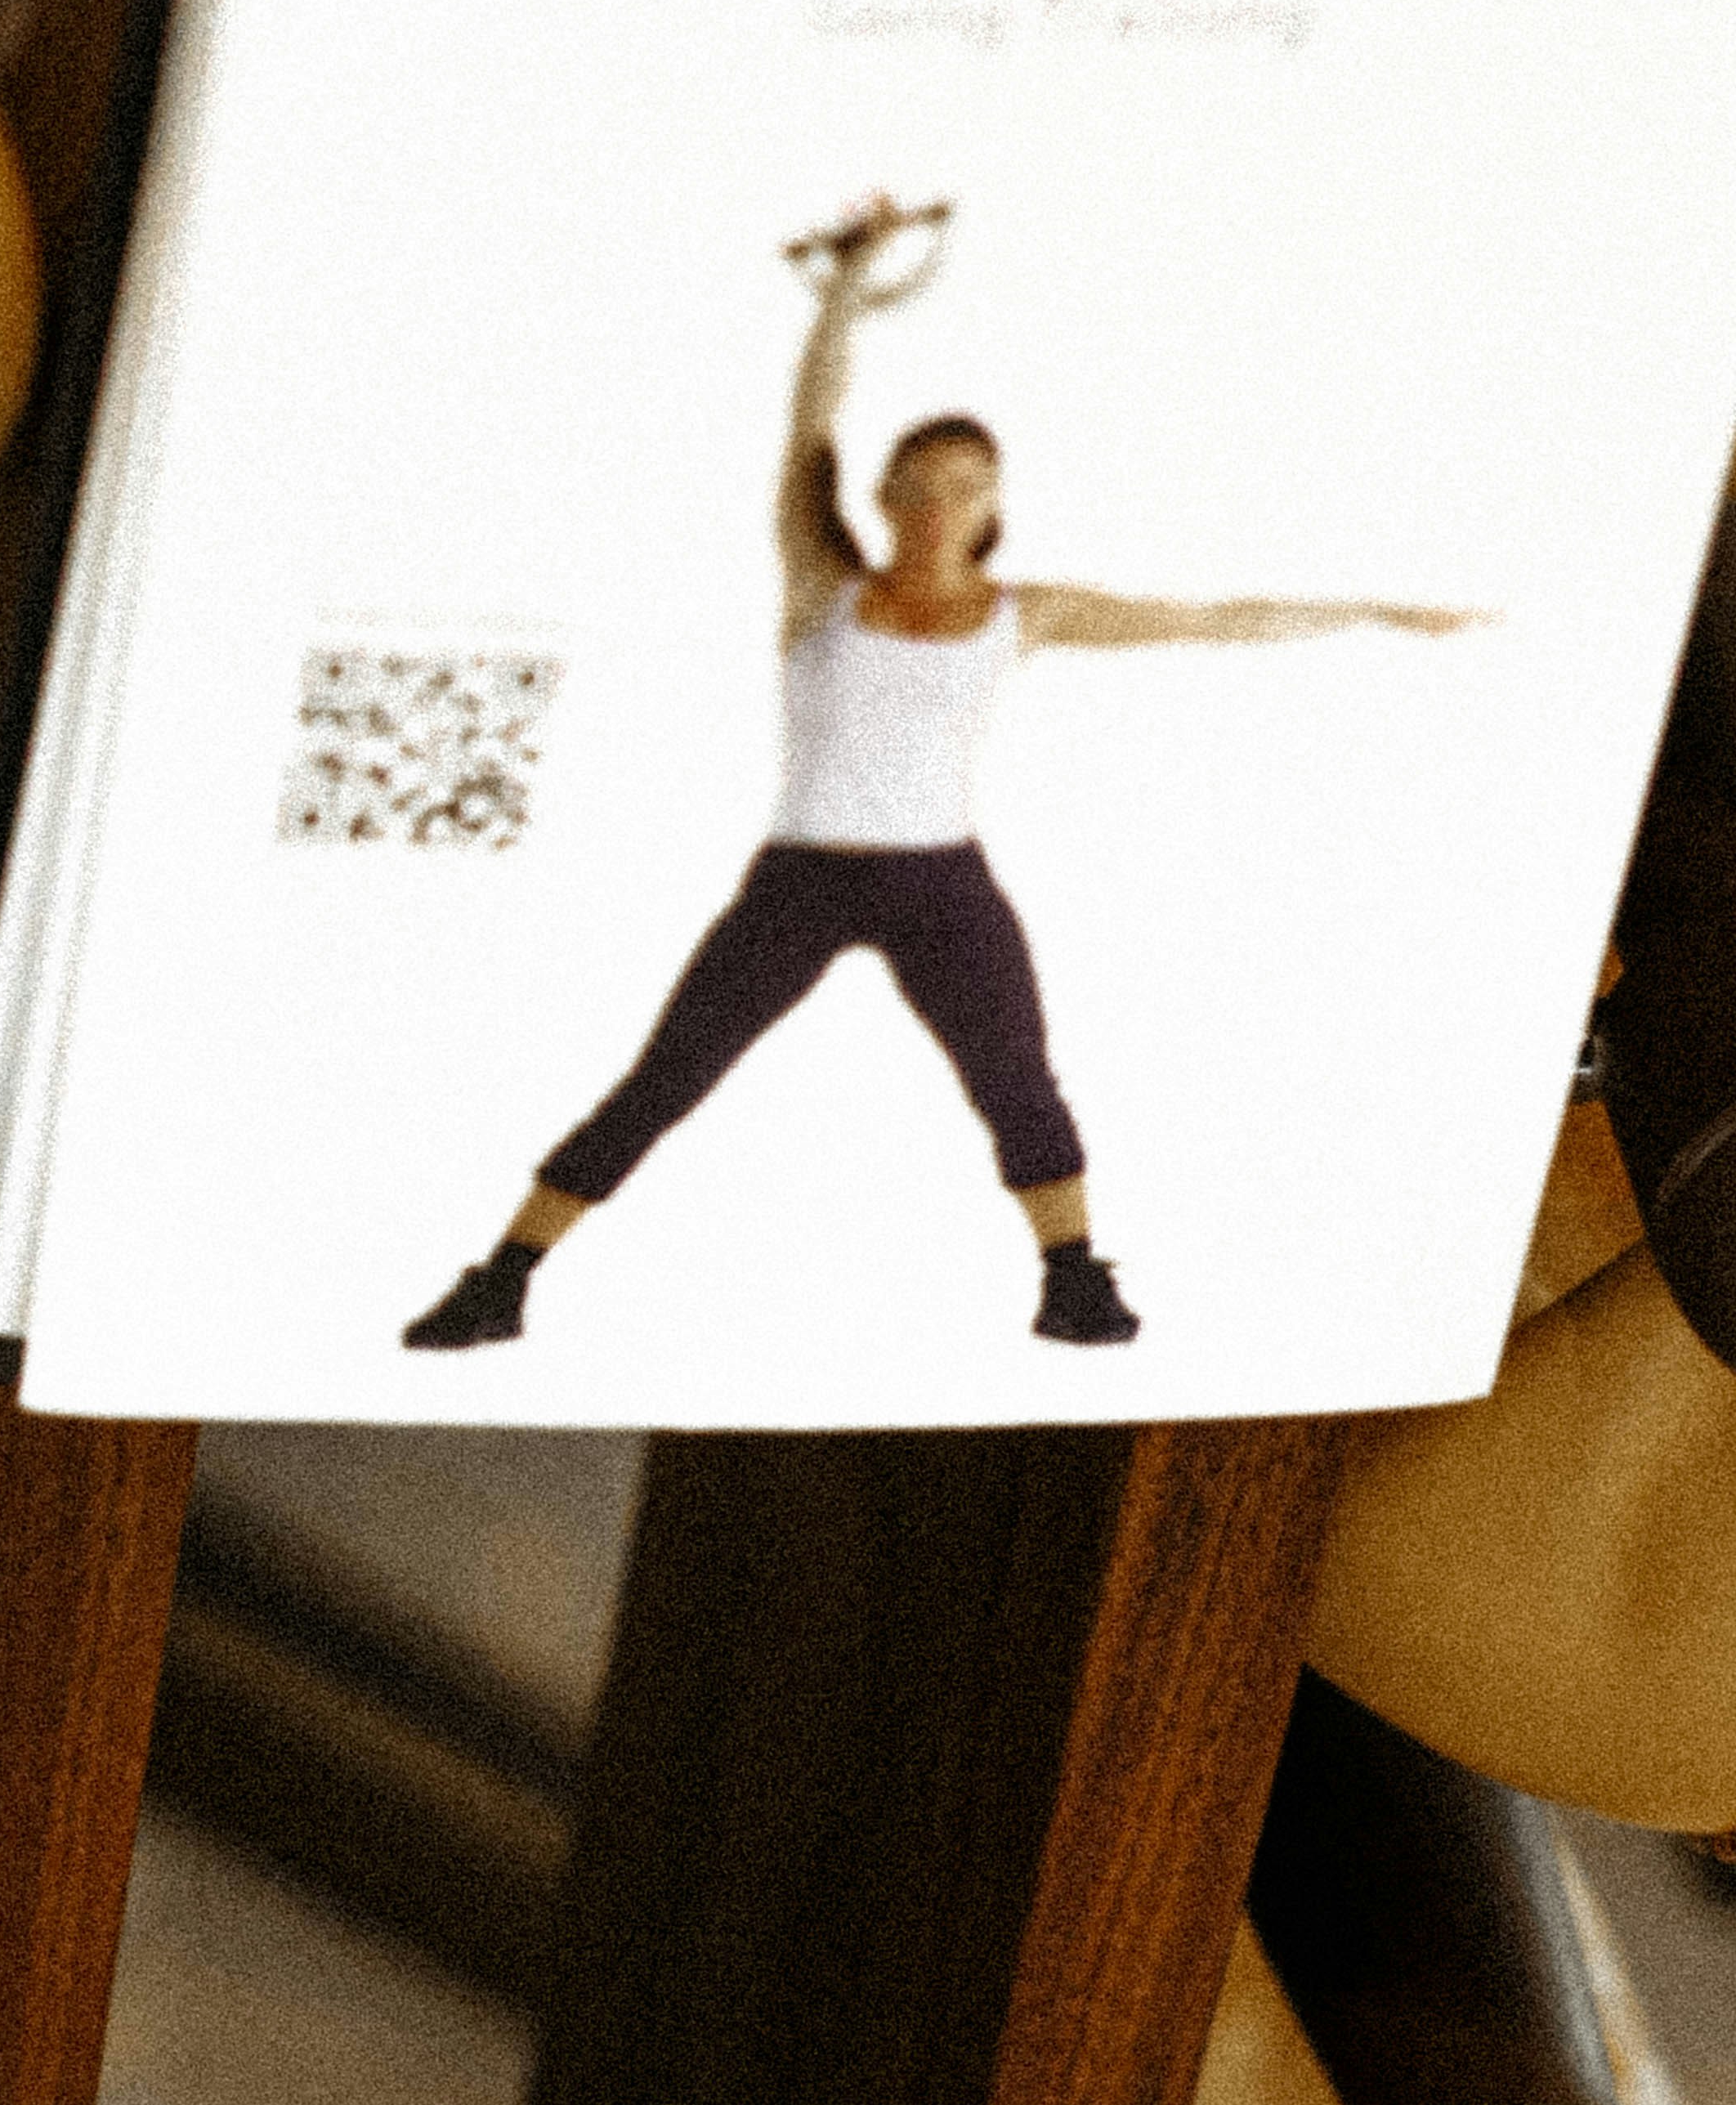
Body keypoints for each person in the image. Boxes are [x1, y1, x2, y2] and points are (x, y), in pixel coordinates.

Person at [405, 199, 1475, 1357]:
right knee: (664, 1080)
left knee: (1017, 1079)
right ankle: (501, 1279)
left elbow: (1215, 620)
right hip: (801, 881)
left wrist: (1373, 611)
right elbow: (810, 417)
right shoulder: (824, 587)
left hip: (939, 886)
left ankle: (1073, 1283)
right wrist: (841, 298)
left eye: (961, 484)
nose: (934, 505)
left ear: (992, 505)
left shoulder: (1025, 615)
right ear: (882, 500)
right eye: (913, 484)